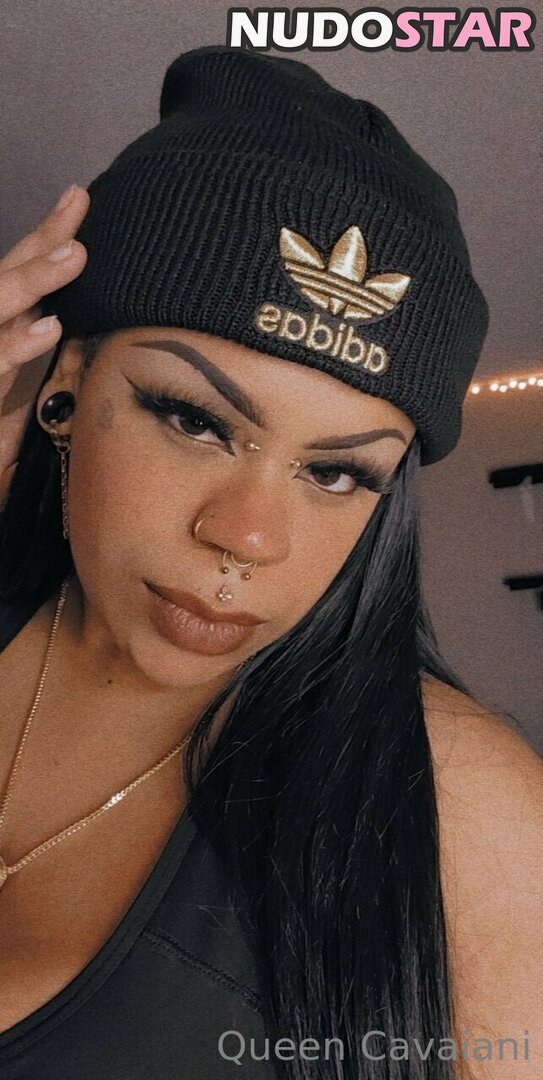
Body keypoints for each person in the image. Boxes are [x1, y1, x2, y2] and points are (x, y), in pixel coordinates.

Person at [0, 45, 541, 1080]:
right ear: (65, 384)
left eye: (337, 473)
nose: (248, 537)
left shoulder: (464, 814)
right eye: (193, 419)